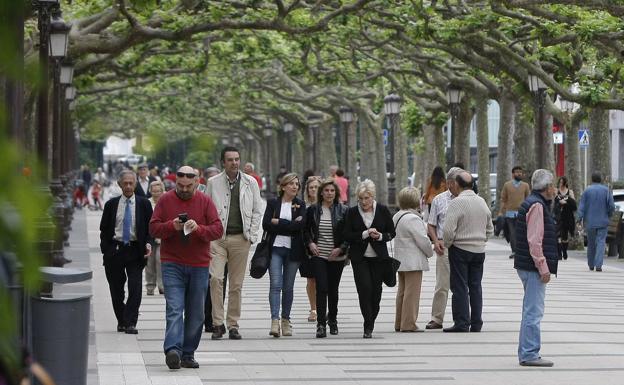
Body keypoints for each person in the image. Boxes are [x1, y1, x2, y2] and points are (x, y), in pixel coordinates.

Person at [149, 166, 224, 369]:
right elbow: (153, 227)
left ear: (197, 183)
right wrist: (171, 226)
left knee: (196, 312)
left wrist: (199, 229)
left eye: (188, 186)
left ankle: (188, 353)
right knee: (174, 308)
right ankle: (173, 349)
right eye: (180, 185)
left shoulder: (205, 202)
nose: (183, 189)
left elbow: (218, 229)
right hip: (171, 262)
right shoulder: (165, 200)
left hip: (199, 264)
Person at [205, 147, 263, 340]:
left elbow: (257, 210)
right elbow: (206, 209)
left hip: (241, 238)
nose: (234, 163)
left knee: (236, 285)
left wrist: (252, 235)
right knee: (215, 279)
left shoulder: (250, 182)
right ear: (223, 162)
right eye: (230, 160)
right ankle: (217, 323)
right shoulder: (213, 183)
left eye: (237, 159)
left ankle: (233, 324)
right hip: (218, 239)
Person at [99, 170, 153, 335]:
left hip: (135, 250)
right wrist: (106, 250)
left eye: (131, 183)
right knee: (116, 289)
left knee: (135, 287)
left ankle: (130, 322)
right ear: (119, 184)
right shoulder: (111, 205)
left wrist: (149, 243)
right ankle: (121, 320)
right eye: (125, 183)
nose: (128, 186)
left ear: (135, 184)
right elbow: (104, 229)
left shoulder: (144, 204)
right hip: (115, 250)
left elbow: (151, 227)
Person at [514, 169, 558, 367]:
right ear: (548, 188)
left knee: (529, 309)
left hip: (525, 263)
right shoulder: (537, 206)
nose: (555, 189)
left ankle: (527, 351)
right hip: (532, 266)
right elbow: (535, 240)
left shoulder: (533, 202)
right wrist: (543, 267)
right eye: (553, 185)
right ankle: (529, 353)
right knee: (533, 311)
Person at [342, 179, 395, 338]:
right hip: (360, 258)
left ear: (373, 196)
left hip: (379, 258)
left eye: (367, 198)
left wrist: (379, 236)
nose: (364, 201)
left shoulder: (383, 210)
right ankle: (367, 323)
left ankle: (371, 320)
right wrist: (364, 234)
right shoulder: (352, 212)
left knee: (376, 292)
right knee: (364, 289)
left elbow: (391, 233)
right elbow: (346, 234)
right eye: (361, 198)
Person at [442, 171, 493, 333]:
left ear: (456, 184)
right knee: (476, 286)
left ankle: (462, 322)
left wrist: (449, 244)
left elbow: (448, 231)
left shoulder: (456, 203)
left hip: (460, 249)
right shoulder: (482, 202)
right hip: (478, 251)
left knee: (459, 287)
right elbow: (490, 228)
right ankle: (476, 322)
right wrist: (481, 240)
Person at [262, 173, 307, 337]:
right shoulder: (273, 203)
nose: (295, 187)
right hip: (275, 248)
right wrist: (289, 225)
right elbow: (266, 223)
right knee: (275, 285)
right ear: (283, 186)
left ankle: (286, 320)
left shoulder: (300, 204)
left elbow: (300, 225)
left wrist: (278, 222)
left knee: (288, 287)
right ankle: (275, 320)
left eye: (297, 184)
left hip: (293, 250)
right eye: (291, 184)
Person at [304, 179, 348, 338]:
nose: (329, 193)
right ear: (321, 192)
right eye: (326, 190)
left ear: (336, 193)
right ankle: (321, 324)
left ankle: (333, 320)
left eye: (332, 191)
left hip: (336, 256)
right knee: (321, 288)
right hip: (319, 255)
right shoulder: (313, 210)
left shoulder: (343, 210)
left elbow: (348, 235)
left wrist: (341, 249)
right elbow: (306, 231)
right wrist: (310, 244)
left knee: (333, 290)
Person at [425, 166, 462, 330]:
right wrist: (435, 241)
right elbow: (431, 224)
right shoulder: (439, 200)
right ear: (449, 183)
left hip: (464, 246)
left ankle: (462, 318)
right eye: (458, 182)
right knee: (442, 285)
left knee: (463, 285)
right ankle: (436, 318)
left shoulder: (470, 198)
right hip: (444, 246)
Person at [393, 187, 433, 332]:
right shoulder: (413, 219)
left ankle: (399, 322)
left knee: (402, 293)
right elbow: (422, 240)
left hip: (400, 260)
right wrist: (430, 252)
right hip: (413, 261)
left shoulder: (397, 216)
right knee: (412, 294)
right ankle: (408, 323)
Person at [577, 172, 615, 271]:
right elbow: (611, 206)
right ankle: (598, 265)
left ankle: (591, 263)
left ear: (592, 179)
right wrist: (609, 215)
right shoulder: (606, 191)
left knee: (591, 243)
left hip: (590, 222)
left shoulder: (587, 191)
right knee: (601, 242)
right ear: (601, 179)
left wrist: (579, 218)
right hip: (603, 221)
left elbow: (582, 206)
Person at [300, 176, 322, 322]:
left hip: (325, 246)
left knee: (325, 280)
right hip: (307, 247)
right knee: (311, 279)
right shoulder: (303, 206)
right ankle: (314, 308)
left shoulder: (328, 206)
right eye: (311, 187)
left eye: (316, 187)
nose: (314, 190)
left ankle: (324, 307)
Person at [499, 166, 531, 259]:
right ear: (513, 174)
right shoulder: (507, 185)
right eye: (517, 172)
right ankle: (514, 251)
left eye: (520, 172)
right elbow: (503, 199)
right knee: (512, 233)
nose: (519, 174)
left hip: (522, 213)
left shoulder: (525, 185)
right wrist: (501, 212)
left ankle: (520, 251)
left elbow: (528, 199)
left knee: (520, 233)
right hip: (509, 213)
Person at [146, 180, 165, 296]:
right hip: (150, 237)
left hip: (163, 237)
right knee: (149, 263)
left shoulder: (166, 201)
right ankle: (150, 286)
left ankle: (162, 286)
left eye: (158, 191)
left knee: (160, 261)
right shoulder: (147, 203)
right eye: (154, 191)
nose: (156, 193)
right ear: (150, 191)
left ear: (162, 191)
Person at [553, 176, 577, 261]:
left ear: (565, 183)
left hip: (567, 216)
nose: (561, 184)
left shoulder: (570, 192)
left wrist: (566, 202)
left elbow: (574, 204)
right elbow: (554, 201)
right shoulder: (556, 191)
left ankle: (564, 251)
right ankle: (559, 253)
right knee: (558, 234)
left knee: (565, 235)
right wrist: (559, 201)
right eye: (560, 182)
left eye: (562, 182)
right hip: (558, 216)